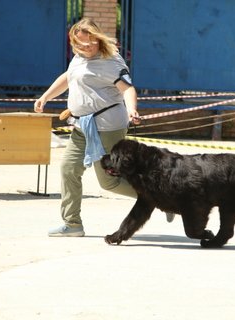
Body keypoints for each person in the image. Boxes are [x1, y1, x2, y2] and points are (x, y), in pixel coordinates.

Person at [34, 18, 174, 237]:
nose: (87, 47)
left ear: (98, 38)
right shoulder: (78, 59)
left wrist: (132, 109)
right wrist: (45, 97)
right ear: (73, 43)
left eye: (91, 42)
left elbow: (127, 89)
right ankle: (72, 224)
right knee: (69, 169)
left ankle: (166, 199)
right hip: (81, 128)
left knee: (108, 182)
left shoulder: (111, 61)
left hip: (108, 129)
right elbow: (69, 77)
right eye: (81, 44)